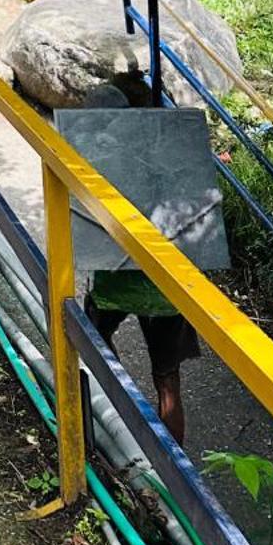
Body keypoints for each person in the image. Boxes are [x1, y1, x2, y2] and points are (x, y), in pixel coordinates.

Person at [77, 83, 200, 443]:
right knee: (168, 378)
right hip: (168, 275)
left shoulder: (93, 155)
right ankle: (176, 472)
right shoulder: (160, 145)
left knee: (90, 333)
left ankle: (123, 410)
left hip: (120, 276)